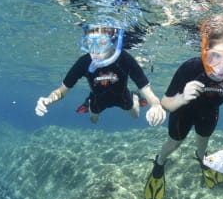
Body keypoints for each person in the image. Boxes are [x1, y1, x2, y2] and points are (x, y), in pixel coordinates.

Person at [144, 14, 223, 199]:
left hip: (209, 113)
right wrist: (181, 98)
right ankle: (159, 163)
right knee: (174, 143)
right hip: (183, 112)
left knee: (203, 141)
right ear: (205, 53)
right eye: (215, 57)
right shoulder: (191, 68)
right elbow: (165, 103)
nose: (221, 68)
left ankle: (202, 159)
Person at [35, 20, 166, 127]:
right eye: (90, 43)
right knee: (93, 120)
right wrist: (48, 100)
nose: (94, 50)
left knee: (136, 115)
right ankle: (89, 100)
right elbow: (61, 91)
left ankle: (135, 97)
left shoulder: (125, 59)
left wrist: (155, 104)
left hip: (123, 96)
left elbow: (146, 89)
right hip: (98, 99)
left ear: (114, 43)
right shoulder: (84, 62)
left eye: (102, 43)